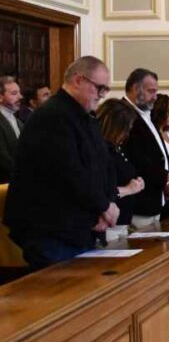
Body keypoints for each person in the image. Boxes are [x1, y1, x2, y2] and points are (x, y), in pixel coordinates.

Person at [2, 57, 118, 269]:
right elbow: (68, 171)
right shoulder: (52, 116)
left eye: (105, 90)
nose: (101, 96)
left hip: (80, 226)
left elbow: (104, 164)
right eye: (99, 88)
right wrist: (102, 206)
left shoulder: (85, 116)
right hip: (52, 230)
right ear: (78, 80)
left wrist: (108, 205)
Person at [121, 69, 169, 229]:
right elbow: (138, 158)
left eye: (156, 91)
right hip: (139, 203)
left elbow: (161, 154)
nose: (155, 96)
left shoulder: (146, 113)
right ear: (134, 88)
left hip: (155, 200)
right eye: (150, 91)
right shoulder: (125, 115)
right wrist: (166, 179)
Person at [96, 99, 145, 227]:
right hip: (108, 223)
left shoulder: (115, 147)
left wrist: (137, 183)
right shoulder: (100, 150)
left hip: (123, 220)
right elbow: (100, 190)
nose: (127, 135)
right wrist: (128, 189)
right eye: (125, 130)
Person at [0, 76, 23, 183]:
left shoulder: (18, 121)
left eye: (19, 93)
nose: (20, 97)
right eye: (14, 94)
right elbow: (3, 158)